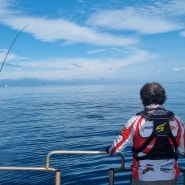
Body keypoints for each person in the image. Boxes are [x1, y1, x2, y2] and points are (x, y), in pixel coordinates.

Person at [107, 82, 185, 185]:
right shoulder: (177, 121)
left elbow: (115, 149)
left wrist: (109, 150)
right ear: (163, 98)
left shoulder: (135, 121)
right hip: (170, 176)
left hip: (143, 176)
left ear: (143, 98)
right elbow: (183, 150)